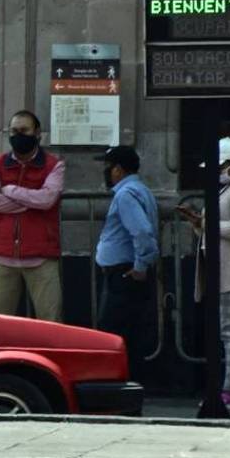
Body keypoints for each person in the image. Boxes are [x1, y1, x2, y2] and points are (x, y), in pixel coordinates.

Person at [177, 137, 230, 410]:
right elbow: (218, 227)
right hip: (222, 269)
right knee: (227, 332)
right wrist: (199, 224)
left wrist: (205, 222)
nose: (216, 172)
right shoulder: (228, 189)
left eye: (221, 166)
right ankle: (228, 387)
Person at [0, 110, 65, 323]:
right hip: (2, 254)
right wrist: (30, 201)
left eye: (24, 130)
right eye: (14, 131)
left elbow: (47, 200)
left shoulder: (54, 166)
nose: (19, 135)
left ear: (37, 133)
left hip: (40, 255)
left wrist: (9, 191)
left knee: (50, 322)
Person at [95, 145, 159, 382]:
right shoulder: (140, 190)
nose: (106, 173)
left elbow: (142, 232)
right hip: (127, 272)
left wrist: (140, 266)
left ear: (118, 170)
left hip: (125, 274)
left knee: (114, 333)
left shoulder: (126, 195)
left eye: (107, 168)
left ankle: (118, 386)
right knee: (131, 333)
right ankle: (131, 384)